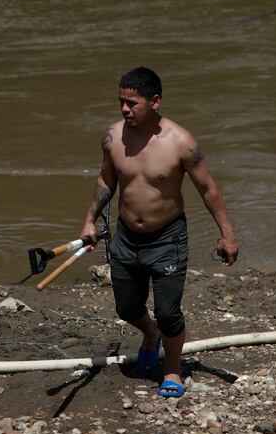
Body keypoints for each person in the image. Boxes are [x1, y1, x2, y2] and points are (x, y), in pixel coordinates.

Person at [79, 67, 239, 398]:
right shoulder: (113, 137)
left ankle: (172, 370)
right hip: (125, 236)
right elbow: (106, 180)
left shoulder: (181, 142)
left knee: (169, 312)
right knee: (126, 308)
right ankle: (150, 335)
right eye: (121, 102)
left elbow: (208, 190)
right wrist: (90, 220)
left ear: (155, 102)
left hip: (167, 238)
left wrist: (227, 234)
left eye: (132, 103)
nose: (124, 109)